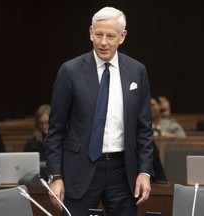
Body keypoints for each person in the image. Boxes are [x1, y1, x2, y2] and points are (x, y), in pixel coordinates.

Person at [45, 7, 154, 216]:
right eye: (98, 34)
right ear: (90, 33)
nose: (103, 42)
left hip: (123, 172)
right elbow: (56, 130)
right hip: (79, 170)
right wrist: (55, 176)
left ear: (122, 37)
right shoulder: (70, 71)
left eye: (110, 36)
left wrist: (144, 171)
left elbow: (144, 129)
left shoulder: (137, 71)